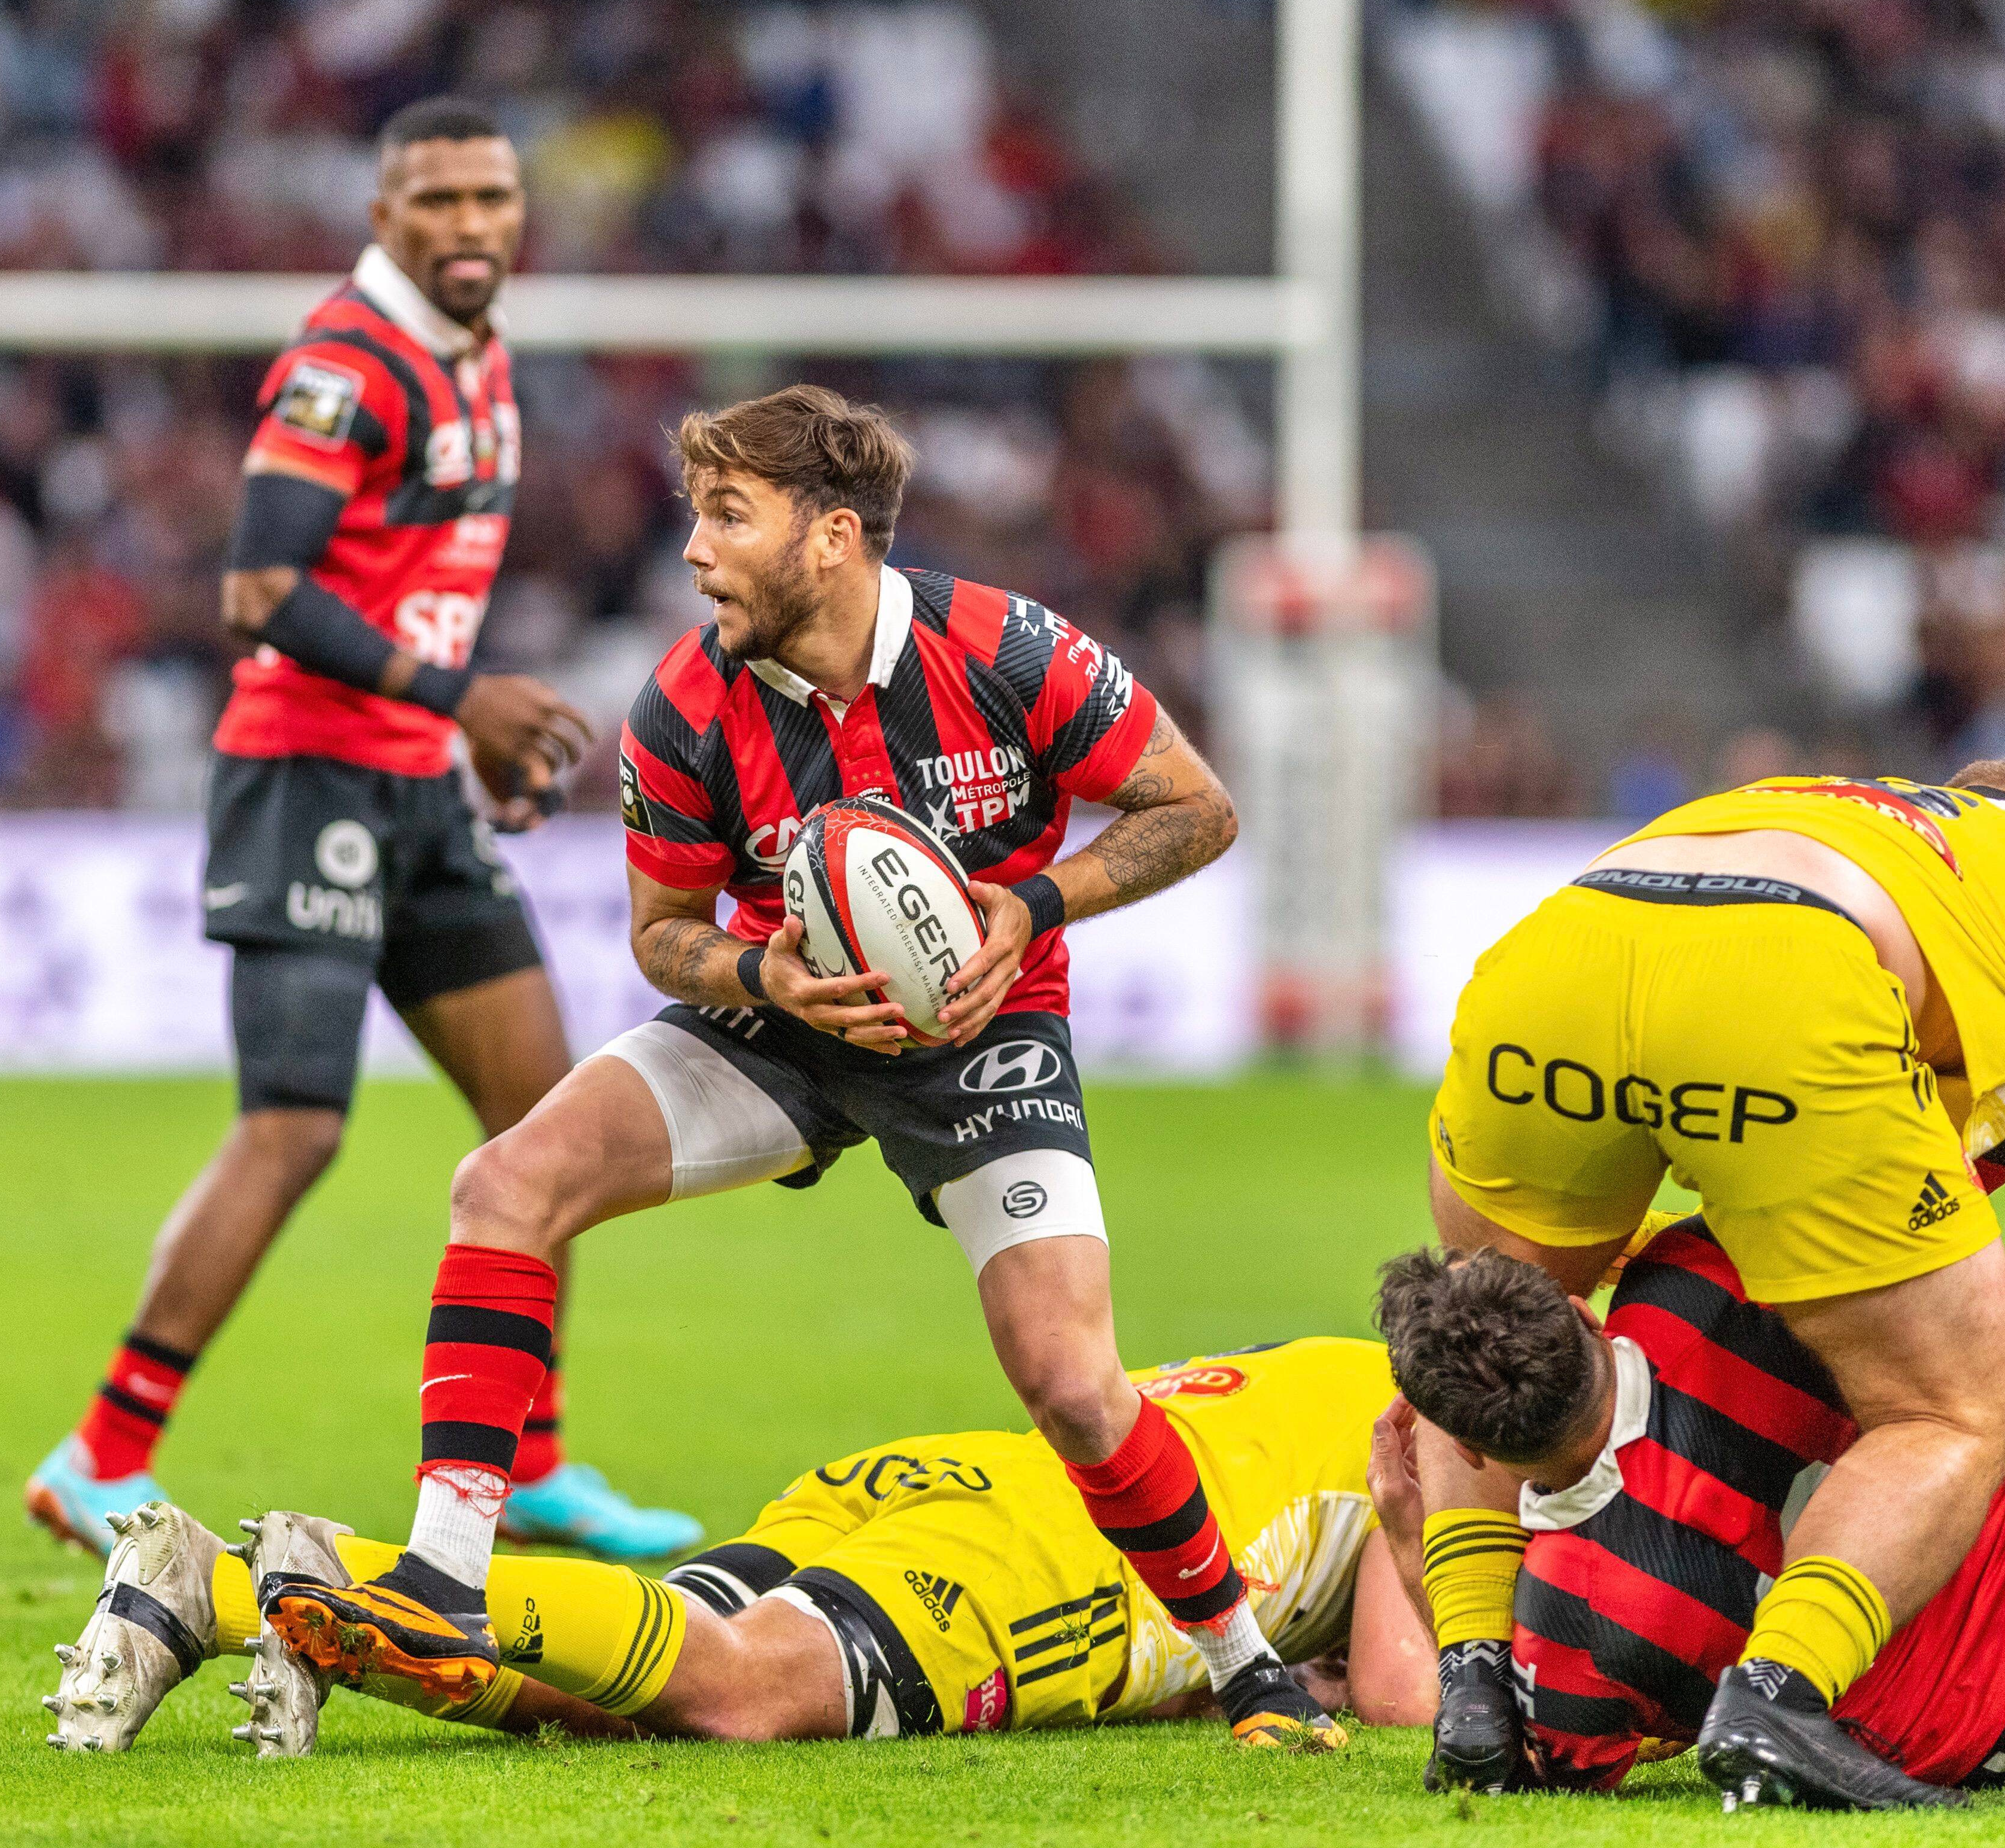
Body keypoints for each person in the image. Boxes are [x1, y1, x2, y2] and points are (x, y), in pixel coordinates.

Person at [238, 385, 1340, 1752]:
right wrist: (766, 976)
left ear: (830, 537)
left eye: (727, 516)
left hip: (985, 1037)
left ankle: (1246, 1666)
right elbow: (661, 937)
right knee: (506, 1182)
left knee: (1068, 1377)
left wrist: (1031, 908)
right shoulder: (686, 704)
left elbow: (1198, 808)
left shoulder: (1009, 647)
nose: (694, 549)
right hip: (786, 1019)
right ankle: (445, 1578)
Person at [1416, 754, 2005, 1807]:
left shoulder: (1847, 808)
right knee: (1950, 1414)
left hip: (1560, 947)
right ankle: (1780, 1693)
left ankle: (1471, 1677)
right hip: (1786, 977)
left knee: (1489, 1322)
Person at [22, 98, 693, 1563]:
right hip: (306, 783)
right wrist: (463, 699)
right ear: (383, 214)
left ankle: (529, 1466)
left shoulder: (483, 356)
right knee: (295, 1127)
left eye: (491, 199)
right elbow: (261, 593)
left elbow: (414, 581)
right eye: (438, 200)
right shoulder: (346, 368)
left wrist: (466, 744)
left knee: (544, 1120)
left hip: (421, 792)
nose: (469, 226)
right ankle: (100, 1452)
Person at [41, 1339, 1434, 1754]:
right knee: (743, 1691)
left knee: (633, 1697)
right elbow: (1401, 1692)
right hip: (1051, 1561)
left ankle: (229, 1591)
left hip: (933, 1473)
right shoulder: (1445, 1425)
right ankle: (287, 1575)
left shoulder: (1342, 1356)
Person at [1370, 1238, 2005, 1802]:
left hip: (1960, 1740)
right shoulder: (1698, 1282)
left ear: (1472, 1454)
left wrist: (1418, 1557)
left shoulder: (1564, 1636)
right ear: (1583, 1315)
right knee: (1947, 1375)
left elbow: (1512, 1765)